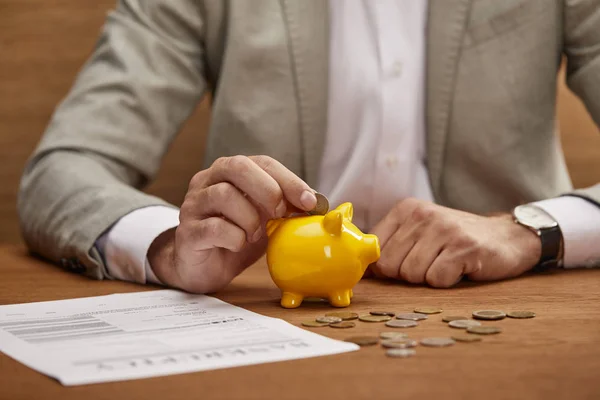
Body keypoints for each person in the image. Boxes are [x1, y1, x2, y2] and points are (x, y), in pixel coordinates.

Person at [18, 0, 600, 293]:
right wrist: (168, 245)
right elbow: (63, 168)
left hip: (515, 311)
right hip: (267, 326)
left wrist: (532, 230)